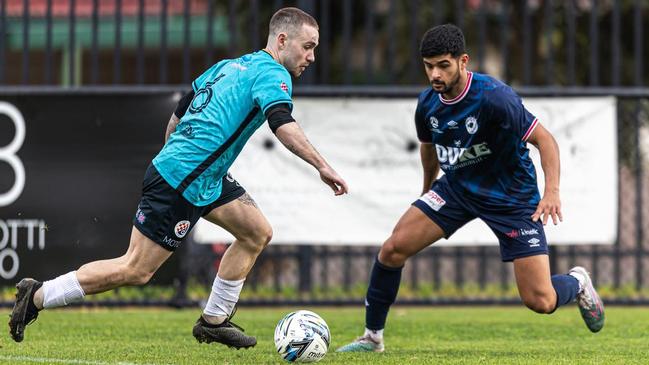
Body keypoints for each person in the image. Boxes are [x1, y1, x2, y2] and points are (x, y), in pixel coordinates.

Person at [9, 7, 348, 350]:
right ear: (282, 39)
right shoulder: (275, 74)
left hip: (201, 176)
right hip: (183, 180)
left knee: (256, 232)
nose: (311, 56)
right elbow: (282, 124)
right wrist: (322, 166)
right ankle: (37, 295)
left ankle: (213, 321)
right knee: (136, 269)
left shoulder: (228, 66)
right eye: (307, 46)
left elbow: (176, 118)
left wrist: (183, 157)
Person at [337, 24, 604, 353]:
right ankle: (372, 337)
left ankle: (578, 282)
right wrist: (426, 190)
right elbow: (429, 148)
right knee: (393, 249)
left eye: (443, 65)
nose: (435, 74)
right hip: (457, 189)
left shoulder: (495, 96)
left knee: (541, 300)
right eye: (429, 66)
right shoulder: (427, 104)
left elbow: (545, 140)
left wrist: (552, 192)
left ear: (463, 61)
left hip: (511, 197)